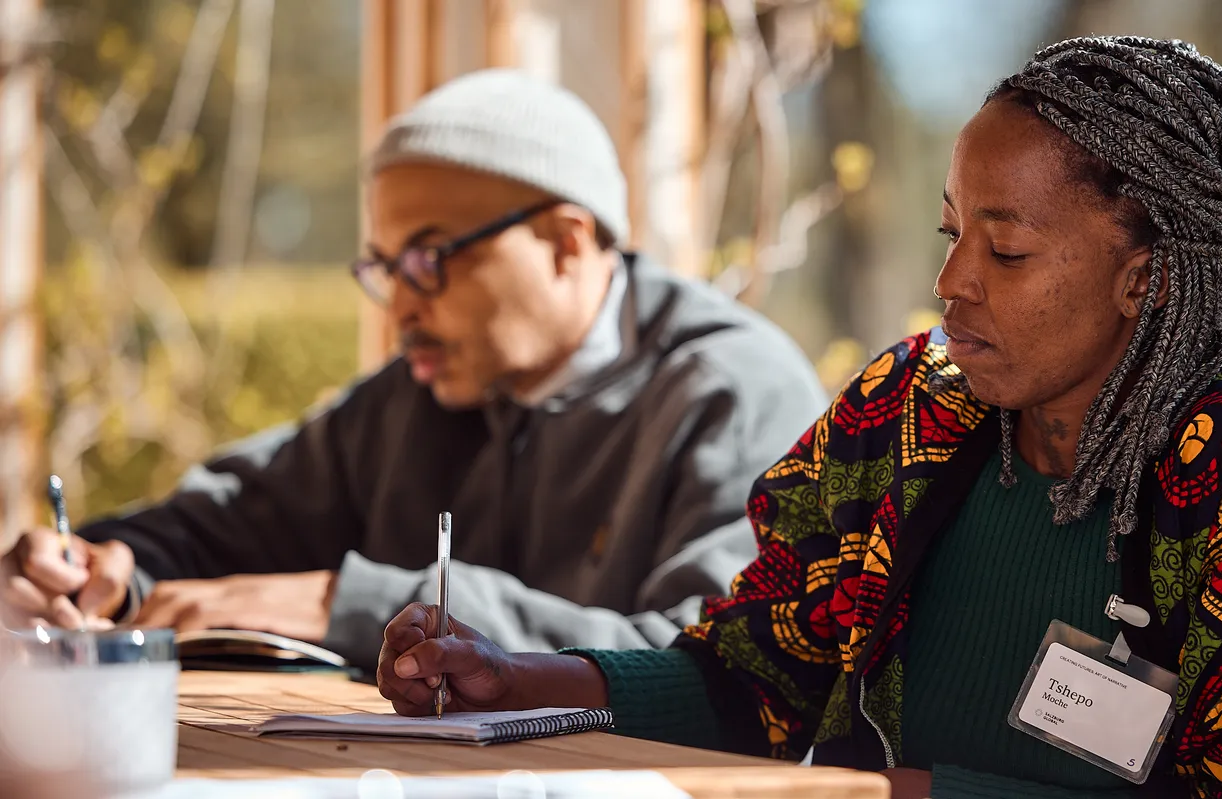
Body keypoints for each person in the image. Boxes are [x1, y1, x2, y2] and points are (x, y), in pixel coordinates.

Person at [376, 37, 1222, 798]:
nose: (950, 283)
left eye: (1005, 252)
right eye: (949, 234)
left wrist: (911, 794)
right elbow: (753, 678)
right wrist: (526, 682)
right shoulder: (908, 413)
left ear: (1141, 280)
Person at [0, 69, 827, 672]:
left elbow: (719, 669)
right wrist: (98, 567)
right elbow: (224, 520)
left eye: (429, 258)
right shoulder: (419, 396)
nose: (399, 306)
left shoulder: (732, 393)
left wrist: (347, 606)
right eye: (384, 267)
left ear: (567, 243)